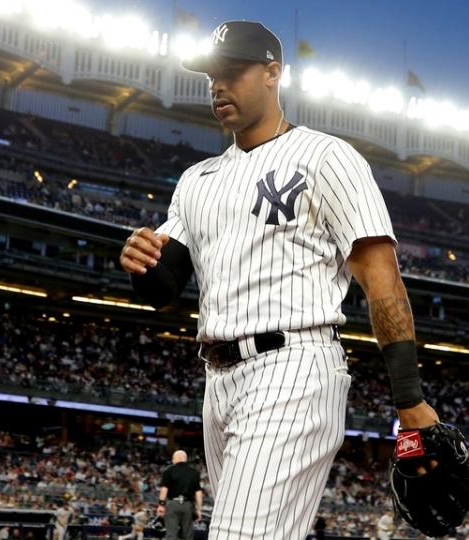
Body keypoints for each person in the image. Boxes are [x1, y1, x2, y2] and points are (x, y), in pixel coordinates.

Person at [120, 19, 442, 540]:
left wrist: (409, 398)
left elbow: (381, 279)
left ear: (273, 72)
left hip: (295, 368)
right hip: (218, 382)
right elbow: (161, 289)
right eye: (210, 76)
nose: (218, 86)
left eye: (232, 72)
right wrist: (139, 261)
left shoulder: (327, 157)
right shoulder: (197, 180)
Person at [156, 450, 202, 540]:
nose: (172, 460)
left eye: (173, 458)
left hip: (173, 504)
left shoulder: (169, 471)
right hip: (188, 505)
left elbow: (164, 489)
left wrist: (161, 505)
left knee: (171, 535)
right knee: (188, 536)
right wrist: (199, 509)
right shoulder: (194, 472)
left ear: (177, 458)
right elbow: (198, 493)